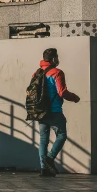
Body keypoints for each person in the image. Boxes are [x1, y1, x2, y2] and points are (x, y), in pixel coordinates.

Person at [36, 48, 80, 177]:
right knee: (61, 135)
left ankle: (44, 169)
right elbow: (62, 92)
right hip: (54, 111)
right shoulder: (57, 72)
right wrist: (75, 98)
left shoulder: (37, 73)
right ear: (54, 59)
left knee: (43, 140)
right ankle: (49, 158)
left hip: (41, 112)